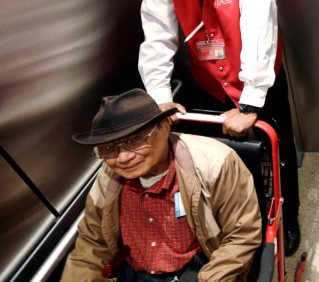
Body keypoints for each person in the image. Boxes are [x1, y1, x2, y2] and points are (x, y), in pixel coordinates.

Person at [138, 0, 300, 253]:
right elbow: (157, 39)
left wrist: (251, 102)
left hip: (258, 84)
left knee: (278, 153)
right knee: (226, 160)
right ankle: (244, 225)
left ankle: (290, 220)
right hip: (209, 83)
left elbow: (261, 34)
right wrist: (160, 97)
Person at [62, 89, 261, 281]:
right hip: (134, 271)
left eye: (135, 140)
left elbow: (241, 234)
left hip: (199, 268)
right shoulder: (109, 178)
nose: (123, 157)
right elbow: (92, 243)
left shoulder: (216, 163)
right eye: (108, 147)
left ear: (165, 126)